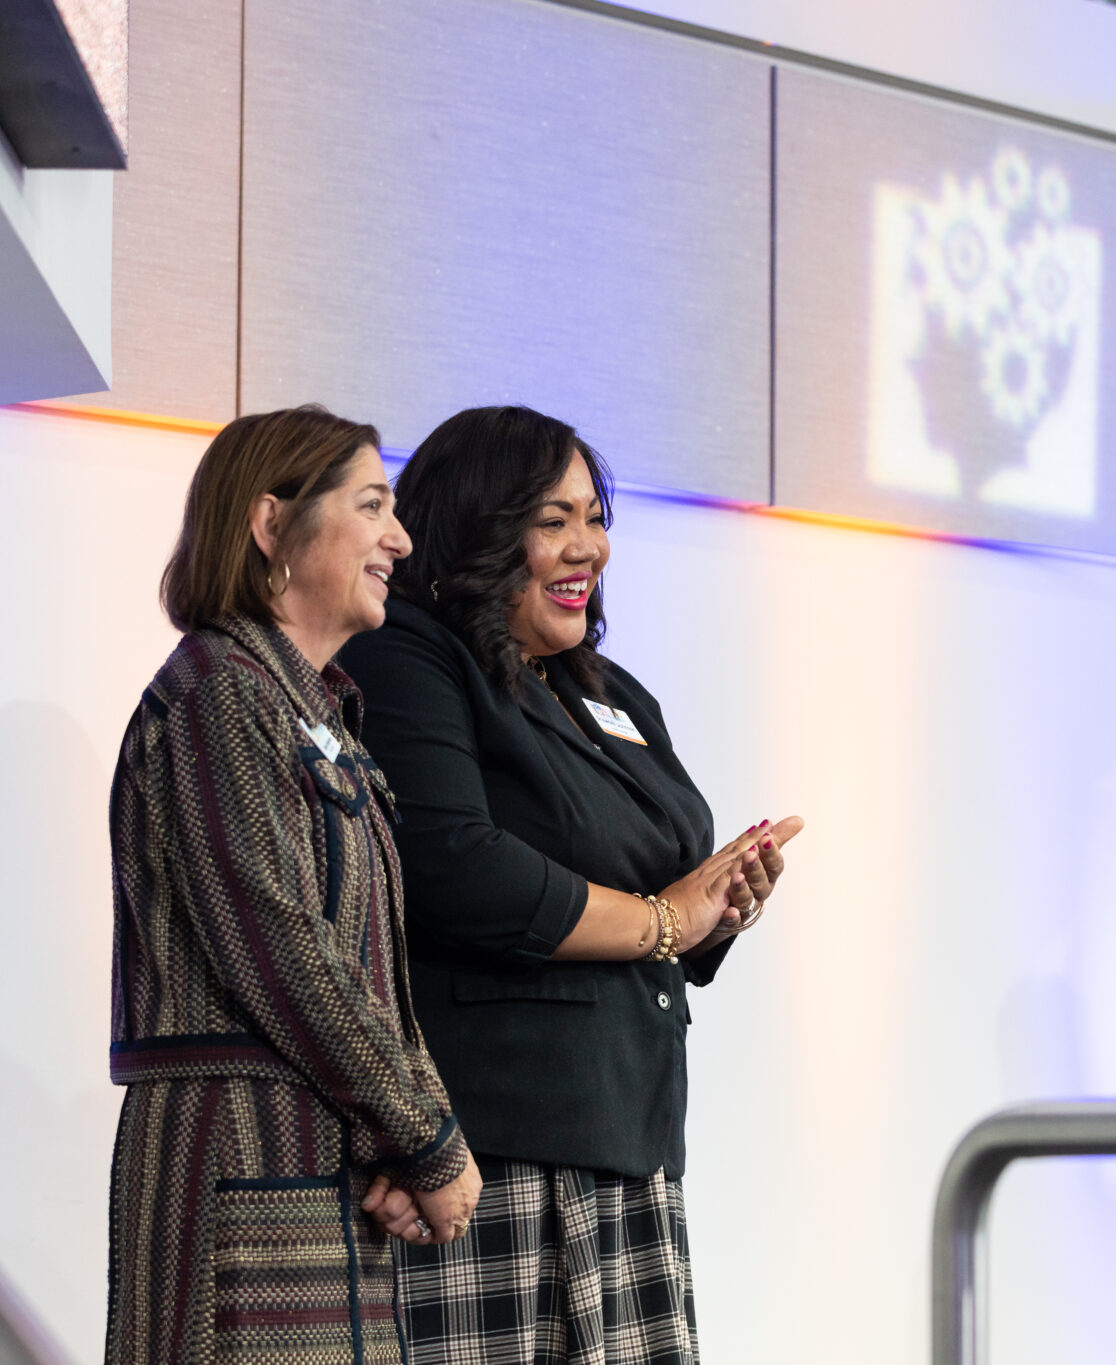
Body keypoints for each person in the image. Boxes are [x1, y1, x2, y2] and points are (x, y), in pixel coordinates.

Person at [337, 404, 803, 1365]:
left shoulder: (608, 691)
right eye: (553, 521)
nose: (587, 547)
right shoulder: (410, 654)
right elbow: (457, 867)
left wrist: (718, 906)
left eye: (594, 518)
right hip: (491, 1153)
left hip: (630, 1140)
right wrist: (664, 918)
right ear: (476, 529)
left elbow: (670, 879)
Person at [105, 404, 483, 1365]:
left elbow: (372, 976)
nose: (400, 539)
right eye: (371, 505)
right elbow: (281, 949)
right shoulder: (219, 693)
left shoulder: (315, 709)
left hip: (320, 1163)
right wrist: (428, 1137)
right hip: (239, 1157)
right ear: (272, 523)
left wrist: (411, 1137)